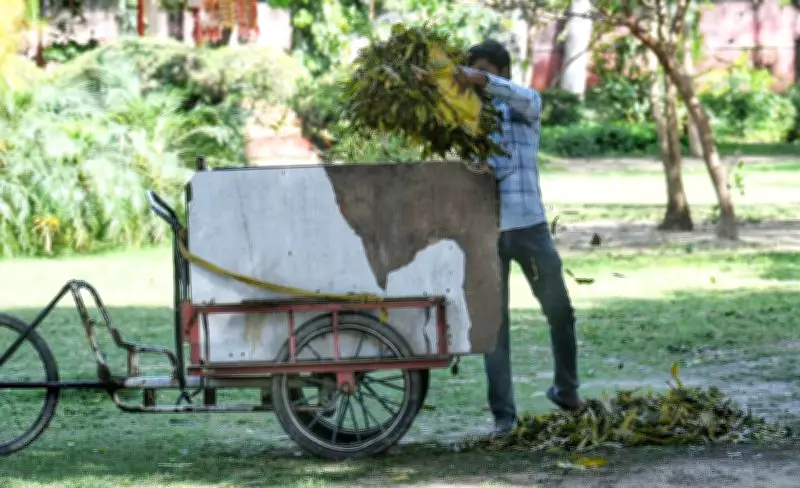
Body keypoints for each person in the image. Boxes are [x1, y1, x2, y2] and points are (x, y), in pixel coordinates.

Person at [453, 39, 584, 436]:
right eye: (475, 73)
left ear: (503, 74)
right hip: (486, 236)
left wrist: (481, 79)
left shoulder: (523, 107)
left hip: (529, 229)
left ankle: (567, 390)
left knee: (559, 310)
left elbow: (529, 99)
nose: (479, 83)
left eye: (488, 72)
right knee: (495, 327)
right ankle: (504, 417)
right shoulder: (467, 121)